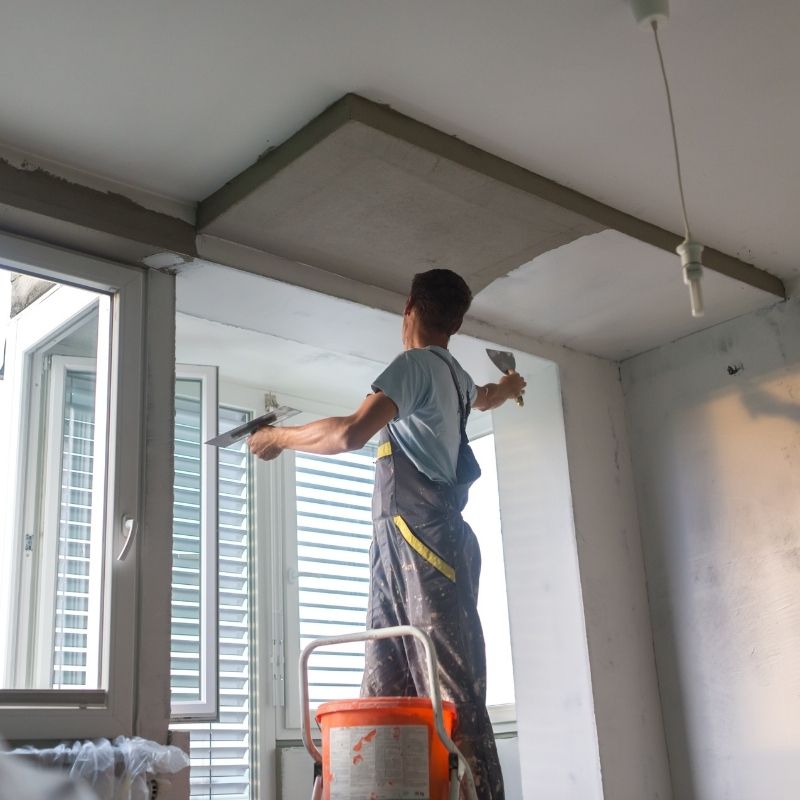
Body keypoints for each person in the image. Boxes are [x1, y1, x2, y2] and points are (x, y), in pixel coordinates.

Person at [248, 269, 525, 800]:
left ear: (409, 308)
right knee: (385, 685)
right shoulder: (456, 377)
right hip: (403, 546)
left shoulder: (415, 366)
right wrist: (511, 386)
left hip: (426, 545)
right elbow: (487, 396)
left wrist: (277, 438)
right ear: (456, 324)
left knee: (452, 697)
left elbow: (350, 433)